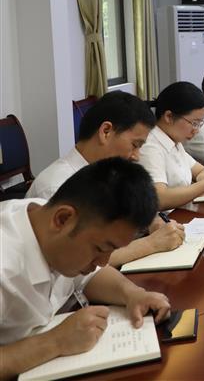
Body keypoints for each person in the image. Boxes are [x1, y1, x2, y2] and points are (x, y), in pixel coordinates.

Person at [0, 158, 171, 380]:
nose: (103, 261)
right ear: (62, 219)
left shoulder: (47, 218)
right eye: (100, 248)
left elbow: (92, 276)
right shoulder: (5, 264)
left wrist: (132, 294)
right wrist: (55, 342)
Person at [26, 91, 185, 267]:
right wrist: (151, 244)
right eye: (135, 145)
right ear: (106, 131)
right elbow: (79, 259)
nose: (136, 156)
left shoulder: (111, 175)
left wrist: (151, 223)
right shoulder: (55, 186)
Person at [138, 82, 204, 211]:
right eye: (194, 123)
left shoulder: (174, 141)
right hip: (166, 220)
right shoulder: (150, 146)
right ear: (169, 117)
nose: (196, 130)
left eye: (200, 124)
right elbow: (159, 198)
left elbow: (200, 171)